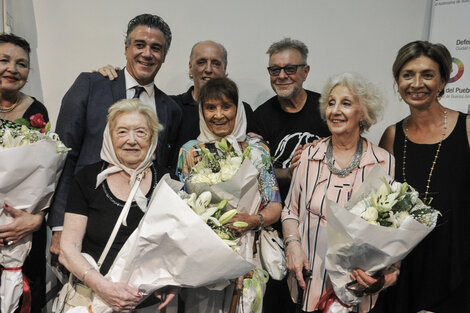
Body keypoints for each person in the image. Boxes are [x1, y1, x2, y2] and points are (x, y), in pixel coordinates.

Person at [49, 14, 182, 257]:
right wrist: (59, 225)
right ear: (126, 48)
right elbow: (63, 156)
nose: (147, 53)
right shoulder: (91, 84)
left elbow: (163, 167)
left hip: (142, 234)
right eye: (139, 45)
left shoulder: (170, 109)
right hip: (84, 221)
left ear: (164, 55)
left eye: (156, 48)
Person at [282, 72, 397, 312]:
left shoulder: (383, 162)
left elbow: (388, 228)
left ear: (363, 113)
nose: (335, 110)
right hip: (308, 277)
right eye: (331, 103)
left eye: (346, 103)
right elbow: (290, 211)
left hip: (355, 285)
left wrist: (382, 274)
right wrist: (292, 244)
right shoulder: (309, 155)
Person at [372, 41, 470, 313]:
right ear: (398, 81)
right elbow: (383, 207)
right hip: (407, 269)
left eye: (427, 74)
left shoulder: (468, 128)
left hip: (457, 266)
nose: (417, 83)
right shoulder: (392, 135)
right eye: (407, 75)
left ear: (442, 81)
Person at [59, 99, 177, 312]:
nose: (131, 140)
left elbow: (176, 242)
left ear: (152, 137)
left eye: (140, 132)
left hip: (146, 303)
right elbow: (68, 249)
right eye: (122, 132)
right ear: (109, 136)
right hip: (93, 300)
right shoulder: (88, 178)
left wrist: (175, 281)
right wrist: (103, 288)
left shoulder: (167, 180)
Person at [176, 77, 282, 313]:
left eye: (226, 106)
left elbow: (274, 206)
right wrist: (186, 172)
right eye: (210, 107)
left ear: (238, 108)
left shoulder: (257, 151)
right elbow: (181, 209)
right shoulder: (190, 151)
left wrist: (254, 220)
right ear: (202, 112)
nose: (219, 115)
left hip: (248, 258)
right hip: (204, 259)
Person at [253, 37, 330, 313]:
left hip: (320, 230)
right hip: (275, 233)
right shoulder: (261, 116)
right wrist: (291, 172)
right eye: (275, 70)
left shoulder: (327, 110)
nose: (282, 75)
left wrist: (316, 163)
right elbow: (254, 174)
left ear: (306, 71)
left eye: (290, 68)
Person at [96, 40, 256, 168]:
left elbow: (253, 151)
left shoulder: (241, 110)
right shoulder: (170, 106)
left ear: (224, 68)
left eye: (215, 63)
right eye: (201, 62)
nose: (208, 69)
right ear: (190, 67)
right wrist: (111, 77)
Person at [0, 33, 49, 313]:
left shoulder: (36, 111)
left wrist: (36, 219)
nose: (13, 69)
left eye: (21, 64)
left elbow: (45, 176)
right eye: (4, 60)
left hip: (23, 232)